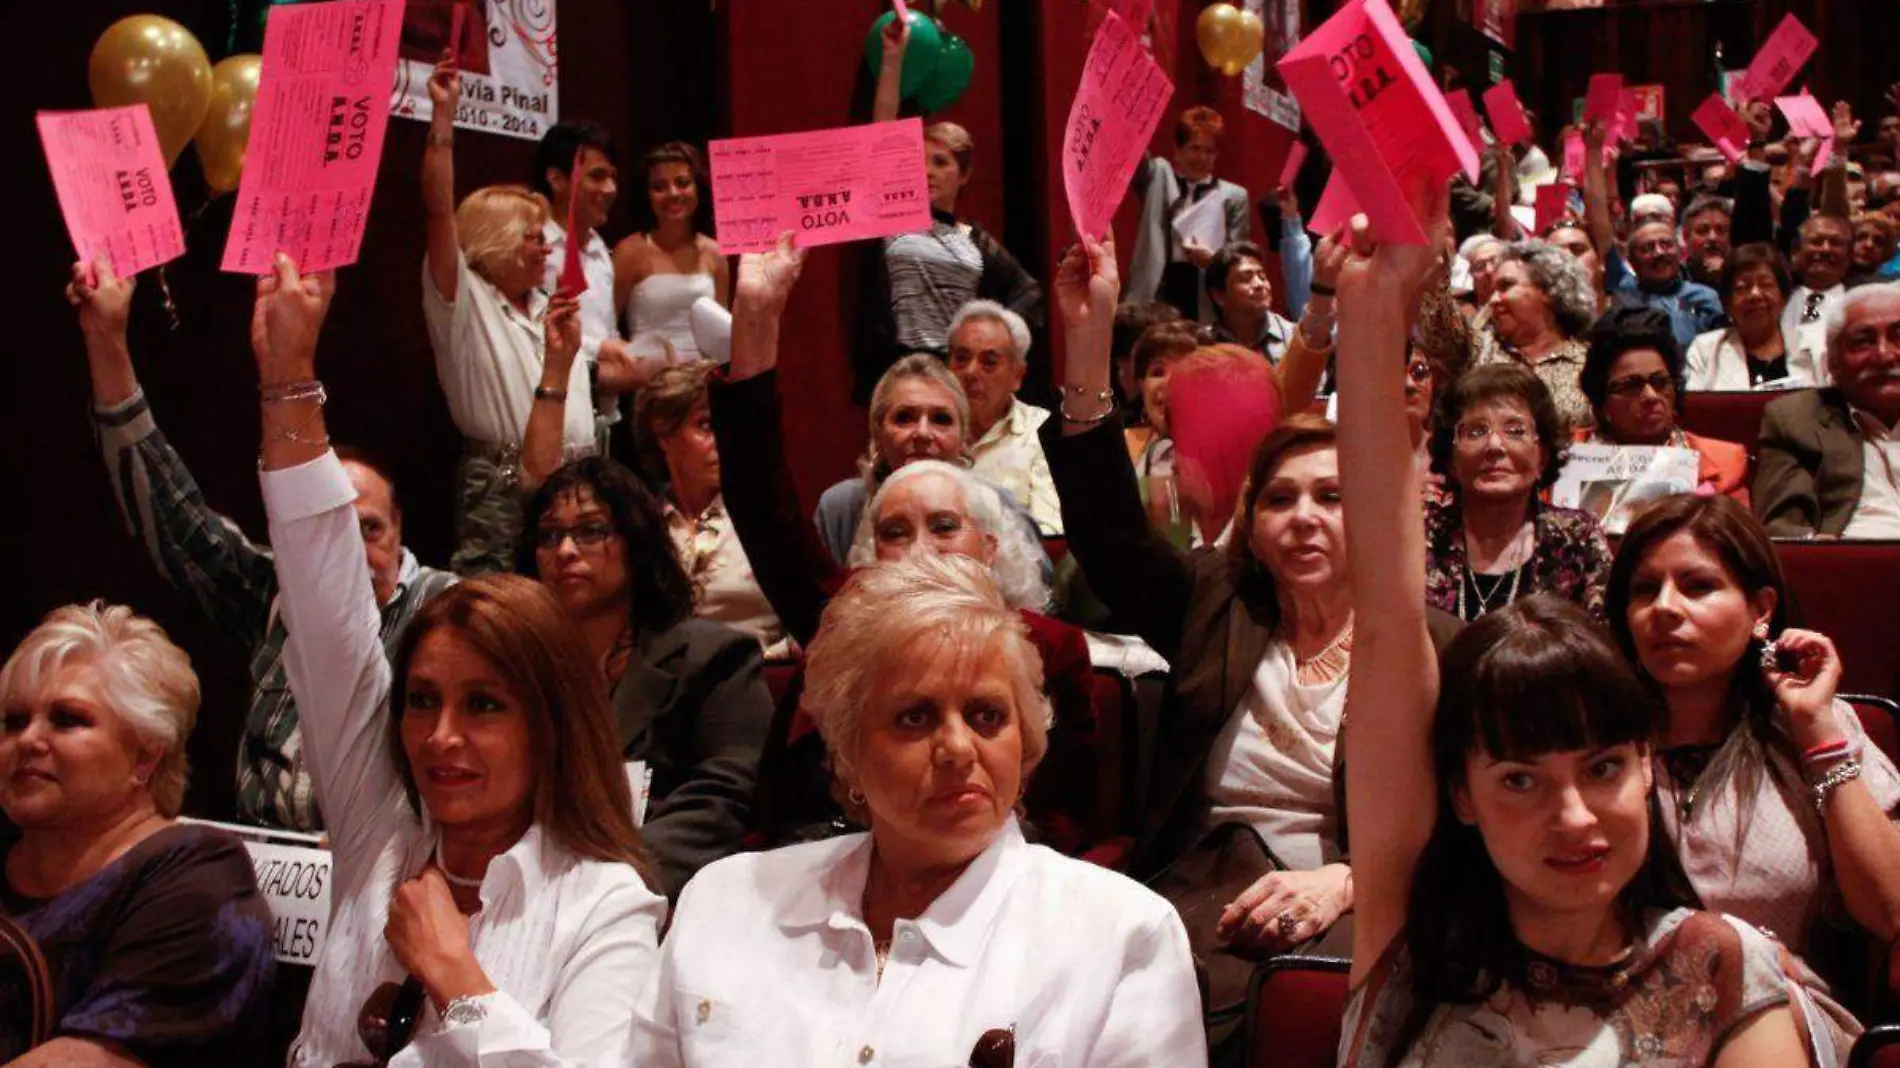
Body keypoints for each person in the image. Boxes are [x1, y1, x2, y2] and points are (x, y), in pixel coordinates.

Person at [1333, 183, 1820, 1068]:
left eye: (1601, 768)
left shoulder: (1719, 966)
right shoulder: (1413, 944)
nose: (1575, 818)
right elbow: (1387, 618)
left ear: (1647, 766)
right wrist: (1376, 309)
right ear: (1462, 798)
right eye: (1519, 780)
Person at [1041, 229, 1462, 1055]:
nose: (1304, 517)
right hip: (1199, 887)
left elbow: (1468, 817)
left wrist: (1349, 881)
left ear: (1372, 513)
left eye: (1334, 497)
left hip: (1351, 898)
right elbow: (1105, 530)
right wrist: (1089, 339)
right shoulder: (1215, 602)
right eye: (1281, 500)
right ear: (1254, 526)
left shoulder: (1431, 643)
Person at [249, 256, 666, 1066]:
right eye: (421, 700)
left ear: (551, 724)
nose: (439, 737)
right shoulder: (383, 829)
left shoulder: (605, 907)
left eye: (483, 705)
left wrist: (456, 976)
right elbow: (324, 600)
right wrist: (288, 374)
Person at [635, 554, 1205, 1066]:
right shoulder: (725, 902)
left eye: (986, 716)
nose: (958, 748)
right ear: (849, 750)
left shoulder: (1122, 937)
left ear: (1026, 740)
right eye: (915, 717)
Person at [707, 235, 1105, 853]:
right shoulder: (840, 622)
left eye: (945, 527)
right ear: (868, 559)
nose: (921, 546)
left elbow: (1071, 823)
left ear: (989, 547)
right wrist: (757, 319)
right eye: (895, 532)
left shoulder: (1051, 648)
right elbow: (763, 507)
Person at [68, 259, 456, 832]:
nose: (346, 554)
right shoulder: (277, 593)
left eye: (368, 530)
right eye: (330, 532)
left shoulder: (448, 611)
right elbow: (174, 517)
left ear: (401, 534)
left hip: (390, 861)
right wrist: (107, 344)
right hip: (268, 857)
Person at [1607, 493, 1898, 1047]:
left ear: (1761, 610)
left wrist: (1816, 733)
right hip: (1616, 1009)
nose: (1665, 607)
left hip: (1783, 1015)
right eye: (1645, 590)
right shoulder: (1593, 738)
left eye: (1697, 586)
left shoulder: (1815, 727)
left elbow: (1891, 913)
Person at [0, 601, 274, 1064]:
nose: (28, 740)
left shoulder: (200, 883)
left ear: (146, 757)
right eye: (13, 721)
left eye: (68, 718)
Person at [420, 52, 599, 573]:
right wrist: (442, 120)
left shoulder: (550, 307)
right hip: (502, 484)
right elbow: (436, 208)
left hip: (582, 480)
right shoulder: (464, 301)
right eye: (532, 238)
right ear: (493, 242)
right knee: (504, 616)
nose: (547, 249)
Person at [858, 18, 1042, 400]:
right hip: (898, 371)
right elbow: (881, 137)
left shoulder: (974, 240)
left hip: (957, 377)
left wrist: (994, 344)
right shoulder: (893, 221)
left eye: (941, 163)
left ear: (964, 174)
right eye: (919, 161)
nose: (927, 172)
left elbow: (1028, 293)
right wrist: (893, 60)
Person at [811, 353, 1045, 568]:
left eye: (941, 419)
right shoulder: (840, 508)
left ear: (963, 438)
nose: (923, 433)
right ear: (878, 432)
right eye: (904, 418)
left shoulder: (999, 505)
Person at [1426, 363, 1613, 621]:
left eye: (1515, 431)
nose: (1494, 445)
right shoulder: (1421, 535)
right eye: (1475, 431)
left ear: (1543, 458)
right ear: (1450, 460)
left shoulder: (1576, 538)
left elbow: (1600, 642)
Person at [632, 361, 788, 658]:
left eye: (730, 427)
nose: (724, 441)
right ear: (664, 433)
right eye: (706, 425)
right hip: (662, 693)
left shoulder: (768, 519)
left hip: (756, 684)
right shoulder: (640, 525)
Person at [1755, 282, 1900, 538]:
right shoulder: (1796, 419)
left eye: (1898, 337)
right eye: (1863, 341)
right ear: (1832, 362)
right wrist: (1815, 545)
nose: (1885, 355)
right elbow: (1783, 525)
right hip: (1855, 564)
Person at [1417, 239, 1600, 431]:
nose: (1494, 300)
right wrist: (1436, 247)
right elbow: (1436, 314)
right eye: (1494, 290)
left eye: (1506, 286)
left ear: (1549, 291)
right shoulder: (1474, 348)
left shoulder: (1590, 363)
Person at [532, 121, 646, 429]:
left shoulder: (599, 248)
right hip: (553, 415)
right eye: (597, 176)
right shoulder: (534, 247)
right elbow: (531, 333)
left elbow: (607, 330)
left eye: (613, 177)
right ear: (556, 179)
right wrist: (601, 349)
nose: (610, 189)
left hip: (603, 420)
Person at [1578, 307, 1751, 502]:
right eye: (1631, 386)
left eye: (1660, 382)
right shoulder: (1563, 461)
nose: (1651, 396)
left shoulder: (1722, 463)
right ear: (1602, 405)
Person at [1583, 125, 1726, 349]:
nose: (1659, 252)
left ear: (1679, 250)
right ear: (1631, 259)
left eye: (1666, 244)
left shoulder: (1704, 297)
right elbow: (1598, 216)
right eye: (1648, 248)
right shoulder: (1624, 286)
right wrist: (1593, 151)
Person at [947, 300, 1064, 536]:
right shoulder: (926, 428)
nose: (970, 372)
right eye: (961, 358)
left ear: (1017, 377)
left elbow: (1049, 533)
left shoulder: (1043, 431)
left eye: (988, 362)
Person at [1126, 106, 1252, 320]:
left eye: (1209, 151)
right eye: (1194, 148)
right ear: (1177, 149)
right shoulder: (1157, 176)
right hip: (1156, 294)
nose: (1201, 157)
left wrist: (1212, 261)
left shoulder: (1234, 197)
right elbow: (1134, 151)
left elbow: (1237, 260)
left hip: (1205, 299)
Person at [612, 142, 729, 364]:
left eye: (683, 183)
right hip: (648, 385)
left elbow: (720, 337)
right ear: (647, 195)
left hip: (703, 385)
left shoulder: (716, 253)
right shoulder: (630, 251)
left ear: (698, 188)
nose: (673, 193)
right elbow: (606, 328)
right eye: (659, 187)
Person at [1686, 243, 1830, 390]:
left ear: (1784, 297)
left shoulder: (1817, 347)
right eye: (1742, 287)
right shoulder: (1705, 350)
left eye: (1766, 284)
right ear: (1727, 303)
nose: (1755, 295)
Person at [1206, 241, 1297, 362]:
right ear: (1219, 295)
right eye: (1246, 279)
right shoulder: (1202, 346)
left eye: (1262, 277)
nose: (1259, 284)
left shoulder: (1294, 339)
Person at [1682, 193, 1735, 287]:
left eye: (1721, 230)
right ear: (1686, 236)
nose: (1713, 238)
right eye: (1702, 231)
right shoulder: (1676, 278)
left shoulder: (1740, 277)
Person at [1851, 211, 1899, 284]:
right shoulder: (1831, 280)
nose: (1869, 245)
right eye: (1861, 237)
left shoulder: (1891, 286)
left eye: (1878, 242)